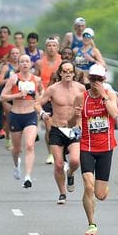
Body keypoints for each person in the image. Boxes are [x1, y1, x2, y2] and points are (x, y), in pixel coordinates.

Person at [80, 66, 118, 235]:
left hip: (106, 147)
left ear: (103, 80)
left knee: (100, 194)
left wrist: (104, 96)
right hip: (87, 146)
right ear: (88, 79)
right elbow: (74, 119)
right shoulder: (82, 97)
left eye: (99, 79)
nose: (95, 82)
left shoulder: (110, 95)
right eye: (93, 79)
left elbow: (115, 114)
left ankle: (101, 189)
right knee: (88, 186)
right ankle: (92, 224)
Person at [37, 59, 83, 203]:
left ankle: (70, 173)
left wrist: (81, 122)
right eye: (65, 71)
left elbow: (88, 105)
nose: (68, 73)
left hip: (74, 129)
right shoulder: (53, 89)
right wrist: (43, 114)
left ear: (74, 73)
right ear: (60, 73)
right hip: (57, 129)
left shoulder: (81, 88)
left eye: (70, 71)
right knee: (58, 164)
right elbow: (37, 104)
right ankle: (62, 193)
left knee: (75, 161)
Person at [1, 54, 44, 188]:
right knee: (17, 149)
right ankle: (16, 165)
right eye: (22, 62)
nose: (25, 64)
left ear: (31, 64)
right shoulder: (14, 78)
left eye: (27, 61)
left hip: (30, 115)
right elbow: (2, 97)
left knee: (30, 145)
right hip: (16, 115)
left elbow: (41, 95)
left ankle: (28, 177)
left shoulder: (36, 79)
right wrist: (17, 95)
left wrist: (40, 105)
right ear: (19, 65)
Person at [38, 37, 64, 164]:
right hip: (45, 97)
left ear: (58, 48)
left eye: (54, 45)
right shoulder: (39, 63)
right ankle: (51, 154)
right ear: (46, 47)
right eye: (49, 45)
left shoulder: (62, 62)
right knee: (49, 127)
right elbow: (36, 79)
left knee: (61, 125)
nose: (51, 48)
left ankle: (61, 151)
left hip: (60, 97)